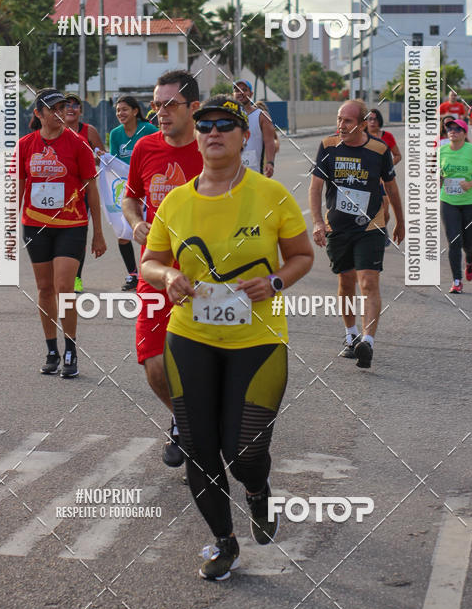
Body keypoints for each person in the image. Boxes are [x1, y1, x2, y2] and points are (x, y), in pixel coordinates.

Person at [141, 95, 313, 581]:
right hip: (191, 337)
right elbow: (151, 260)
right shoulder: (176, 200)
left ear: (243, 137)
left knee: (245, 451)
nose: (213, 132)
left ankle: (257, 491)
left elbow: (301, 256)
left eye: (225, 125)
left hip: (257, 340)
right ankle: (223, 540)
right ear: (196, 138)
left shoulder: (270, 195)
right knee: (199, 445)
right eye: (205, 126)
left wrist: (276, 281)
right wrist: (166, 277)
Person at [122, 70, 203, 468]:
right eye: (156, 104)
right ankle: (185, 421)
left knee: (201, 366)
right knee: (155, 365)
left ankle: (199, 425)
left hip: (203, 279)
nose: (160, 112)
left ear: (194, 108)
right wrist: (136, 221)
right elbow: (130, 198)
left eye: (170, 104)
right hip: (155, 273)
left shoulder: (213, 151)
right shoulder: (144, 148)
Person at [309, 99, 405, 368]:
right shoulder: (328, 146)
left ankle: (368, 342)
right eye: (339, 119)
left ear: (363, 124)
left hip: (370, 226)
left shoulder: (378, 149)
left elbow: (392, 188)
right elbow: (316, 188)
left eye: (348, 121)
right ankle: (351, 335)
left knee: (369, 282)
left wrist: (400, 220)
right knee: (346, 281)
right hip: (338, 227)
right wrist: (317, 222)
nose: (341, 125)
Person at [18, 89, 106, 377]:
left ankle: (70, 348)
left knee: (65, 287)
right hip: (35, 225)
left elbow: (91, 189)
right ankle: (51, 349)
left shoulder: (78, 144)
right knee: (44, 289)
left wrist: (98, 233)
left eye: (62, 108)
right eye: (52, 109)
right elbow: (18, 187)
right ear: (38, 114)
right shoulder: (25, 145)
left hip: (72, 225)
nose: (59, 113)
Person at [109, 96, 158, 291]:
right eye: (118, 110)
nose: (121, 113)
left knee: (151, 233)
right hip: (126, 191)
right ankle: (133, 274)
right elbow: (113, 162)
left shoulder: (149, 131)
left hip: (148, 188)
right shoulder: (115, 134)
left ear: (135, 111)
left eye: (125, 109)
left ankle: (155, 271)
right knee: (123, 233)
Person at [439, 118, 472, 293]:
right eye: (449, 128)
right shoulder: (441, 151)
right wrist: (438, 179)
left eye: (457, 129)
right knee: (454, 241)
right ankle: (456, 280)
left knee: (468, 243)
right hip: (448, 201)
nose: (452, 131)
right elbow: (437, 173)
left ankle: (470, 260)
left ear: (464, 133)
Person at [64, 93, 105, 292]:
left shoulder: (89, 131)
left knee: (78, 234)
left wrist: (92, 157)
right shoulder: (56, 131)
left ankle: (76, 278)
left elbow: (102, 158)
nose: (71, 108)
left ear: (81, 110)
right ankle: (59, 276)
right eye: (67, 105)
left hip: (82, 193)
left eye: (75, 105)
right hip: (58, 194)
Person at [366, 109, 402, 248]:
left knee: (385, 212)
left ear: (379, 121)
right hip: (365, 180)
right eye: (370, 119)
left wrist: (386, 168)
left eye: (375, 119)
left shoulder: (387, 136)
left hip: (382, 181)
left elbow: (398, 155)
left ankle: (382, 229)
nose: (372, 122)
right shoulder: (361, 136)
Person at [232, 80, 276, 176]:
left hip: (255, 174)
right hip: (232, 175)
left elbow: (269, 142)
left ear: (251, 94)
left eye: (244, 90)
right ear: (233, 94)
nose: (241, 93)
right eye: (237, 90)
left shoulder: (261, 116)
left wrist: (270, 163)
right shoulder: (227, 116)